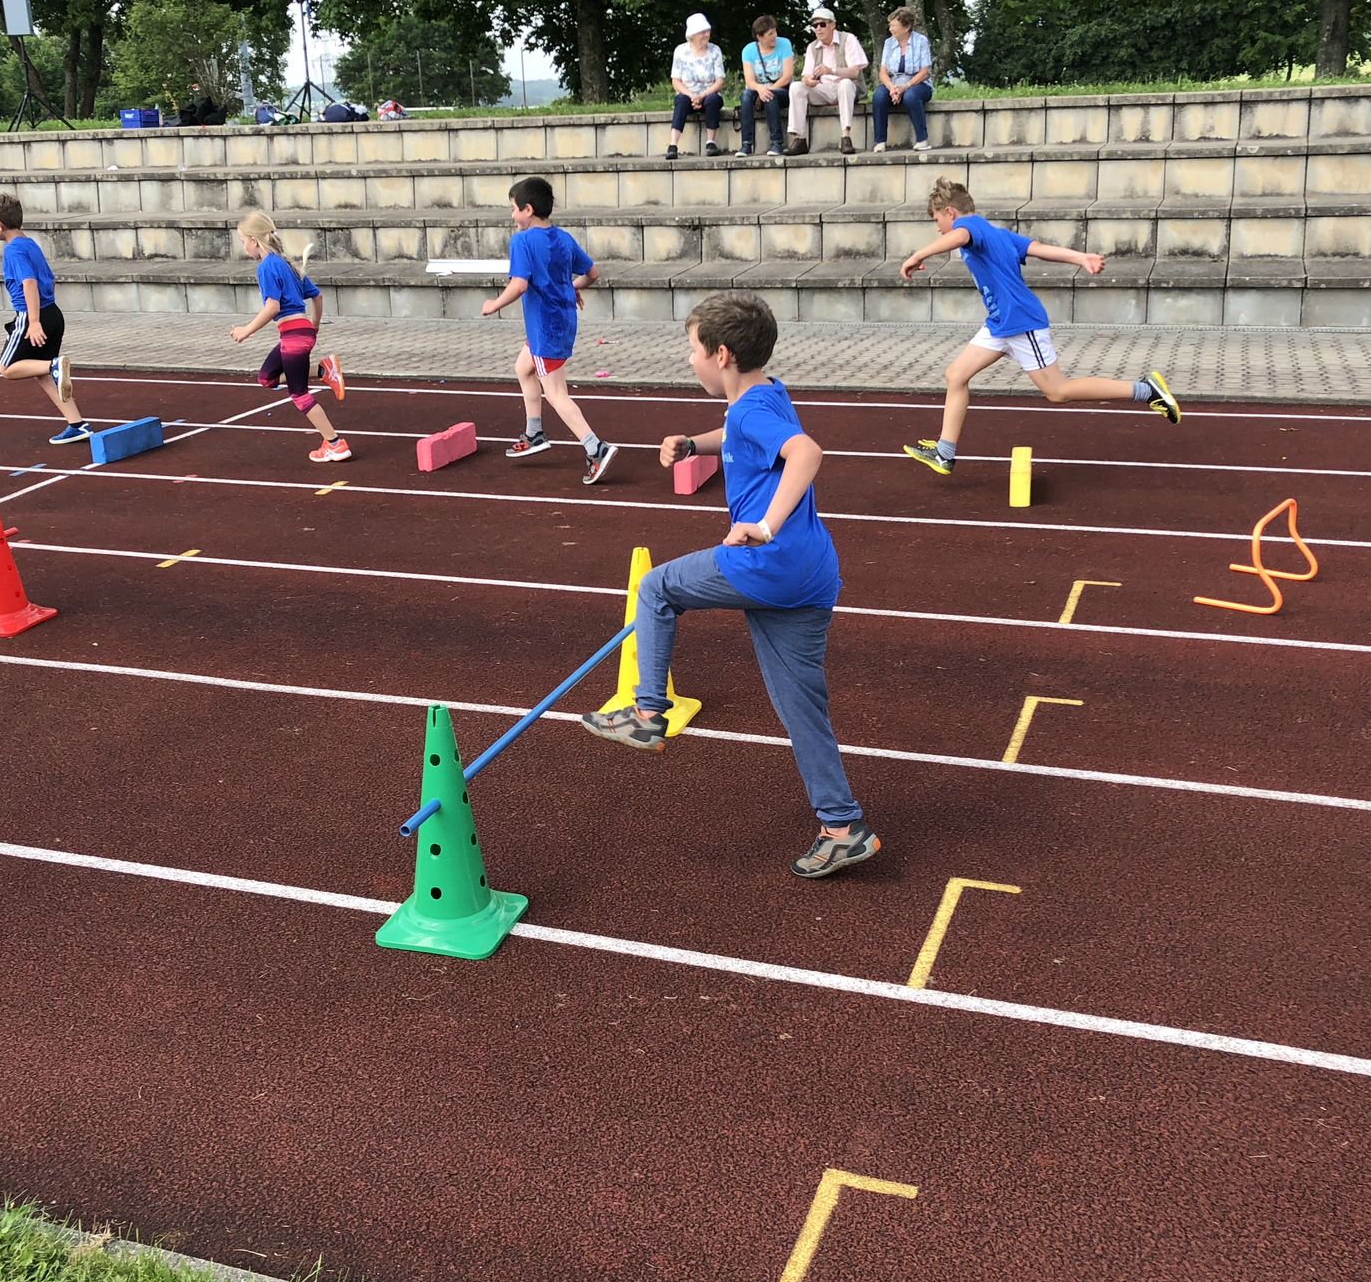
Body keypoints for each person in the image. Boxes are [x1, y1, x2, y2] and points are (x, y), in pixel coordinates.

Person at [580, 290, 879, 878]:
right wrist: (695, 443)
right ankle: (843, 828)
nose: (688, 359)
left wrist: (765, 525)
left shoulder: (749, 412)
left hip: (767, 564)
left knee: (657, 589)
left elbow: (806, 452)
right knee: (800, 706)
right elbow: (745, 433)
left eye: (692, 349)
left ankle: (647, 713)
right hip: (812, 572)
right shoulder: (766, 394)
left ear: (720, 355)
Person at [899, 179, 1180, 474]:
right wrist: (1080, 257)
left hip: (1020, 322)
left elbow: (959, 236)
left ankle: (1146, 390)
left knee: (1058, 391)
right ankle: (944, 453)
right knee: (956, 375)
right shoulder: (998, 235)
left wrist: (917, 256)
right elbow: (1040, 248)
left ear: (950, 212)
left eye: (937, 220)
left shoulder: (970, 228)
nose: (938, 228)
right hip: (999, 323)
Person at [481, 176, 616, 484]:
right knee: (523, 368)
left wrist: (494, 304)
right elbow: (592, 273)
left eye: (514, 209)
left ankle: (595, 448)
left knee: (556, 393)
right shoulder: (563, 238)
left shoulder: (522, 242)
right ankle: (534, 433)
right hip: (561, 321)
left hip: (545, 327)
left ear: (528, 210)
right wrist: (572, 286)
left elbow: (519, 284)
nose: (512, 216)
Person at [229, 211, 351, 463]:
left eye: (243, 241)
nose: (243, 247)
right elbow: (317, 296)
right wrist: (314, 325)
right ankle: (322, 370)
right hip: (300, 332)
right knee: (267, 378)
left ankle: (335, 444)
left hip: (294, 336)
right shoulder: (286, 264)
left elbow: (272, 307)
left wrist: (246, 330)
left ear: (254, 240)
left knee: (299, 394)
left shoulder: (266, 266)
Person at [0, 193, 89, 445]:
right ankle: (77, 424)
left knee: (7, 368)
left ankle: (54, 365)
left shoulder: (13, 250)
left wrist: (34, 321)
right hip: (53, 313)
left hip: (33, 316)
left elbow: (29, 282)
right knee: (42, 373)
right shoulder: (30, 244)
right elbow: (48, 278)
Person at [786, 6, 866, 157]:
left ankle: (846, 136)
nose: (818, 29)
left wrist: (831, 70)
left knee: (845, 84)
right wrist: (808, 80)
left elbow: (855, 72)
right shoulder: (812, 47)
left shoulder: (848, 39)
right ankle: (799, 138)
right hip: (823, 89)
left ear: (832, 25)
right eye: (815, 25)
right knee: (796, 87)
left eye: (822, 24)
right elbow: (805, 76)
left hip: (846, 89)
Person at [872, 7, 933, 152]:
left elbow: (924, 72)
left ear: (906, 27)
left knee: (910, 96)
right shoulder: (889, 43)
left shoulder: (921, 41)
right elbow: (883, 72)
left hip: (918, 83)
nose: (891, 29)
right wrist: (892, 88)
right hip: (894, 82)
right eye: (890, 25)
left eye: (894, 25)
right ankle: (880, 141)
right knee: (879, 96)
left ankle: (922, 139)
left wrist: (905, 87)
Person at [667, 14, 726, 160]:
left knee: (713, 100)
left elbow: (719, 81)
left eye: (707, 31)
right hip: (688, 95)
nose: (707, 34)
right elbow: (676, 81)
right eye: (702, 32)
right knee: (681, 101)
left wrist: (702, 95)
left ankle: (710, 142)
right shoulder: (680, 51)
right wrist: (692, 96)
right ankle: (673, 144)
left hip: (709, 94)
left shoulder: (715, 50)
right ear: (692, 35)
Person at [737, 15, 794, 158]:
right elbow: (750, 81)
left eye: (775, 32)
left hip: (781, 89)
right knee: (745, 96)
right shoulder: (748, 50)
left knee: (770, 96)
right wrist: (760, 89)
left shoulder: (785, 44)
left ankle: (777, 143)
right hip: (759, 89)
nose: (775, 36)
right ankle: (746, 144)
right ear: (759, 37)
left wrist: (768, 90)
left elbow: (787, 76)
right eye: (770, 34)